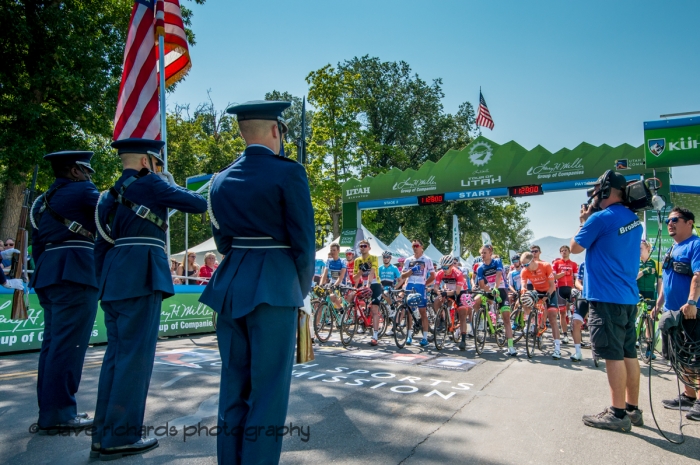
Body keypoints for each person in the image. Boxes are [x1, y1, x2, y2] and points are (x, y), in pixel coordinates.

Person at [199, 100, 315, 465]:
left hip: (231, 286)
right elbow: (303, 242)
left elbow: (223, 244)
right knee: (268, 393)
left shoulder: (218, 180)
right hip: (276, 288)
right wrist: (299, 290)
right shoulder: (289, 173)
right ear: (276, 131)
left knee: (233, 388)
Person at [92, 138, 207, 460]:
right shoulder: (153, 184)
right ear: (147, 162)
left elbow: (101, 245)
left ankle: (104, 434)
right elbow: (197, 203)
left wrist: (106, 282)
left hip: (114, 279)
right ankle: (121, 437)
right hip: (141, 277)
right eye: (157, 164)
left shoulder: (107, 196)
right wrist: (167, 183)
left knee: (115, 358)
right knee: (134, 360)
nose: (159, 170)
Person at [28, 151, 99, 434]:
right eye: (86, 171)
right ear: (73, 171)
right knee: (69, 346)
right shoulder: (84, 191)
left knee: (52, 345)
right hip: (76, 272)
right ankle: (60, 413)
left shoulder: (42, 202)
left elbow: (37, 245)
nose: (89, 176)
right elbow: (109, 220)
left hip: (48, 273)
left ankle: (50, 410)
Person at [571, 170, 643, 432]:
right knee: (628, 354)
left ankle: (617, 414)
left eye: (597, 191)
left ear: (604, 191)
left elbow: (576, 247)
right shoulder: (634, 219)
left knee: (612, 355)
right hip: (626, 297)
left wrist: (584, 220)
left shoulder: (600, 218)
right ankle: (632, 409)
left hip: (606, 297)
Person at [656, 208, 700, 420]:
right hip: (671, 313)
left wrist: (692, 301)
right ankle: (689, 396)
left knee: (696, 358)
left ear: (689, 223)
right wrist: (658, 305)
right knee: (679, 357)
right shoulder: (672, 249)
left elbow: (698, 276)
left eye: (675, 220)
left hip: (691, 313)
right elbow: (666, 281)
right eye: (668, 221)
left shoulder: (696, 245)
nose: (670, 224)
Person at [475, 245, 517, 356]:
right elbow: (482, 285)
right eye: (481, 253)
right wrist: (489, 289)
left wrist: (496, 288)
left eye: (484, 253)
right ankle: (483, 321)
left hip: (501, 289)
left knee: (506, 319)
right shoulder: (480, 268)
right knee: (476, 300)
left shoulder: (497, 261)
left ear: (490, 253)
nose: (482, 255)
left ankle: (511, 346)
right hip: (490, 290)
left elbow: (498, 275)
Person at [519, 251, 561, 358]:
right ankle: (531, 322)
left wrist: (545, 298)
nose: (525, 267)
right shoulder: (524, 270)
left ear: (533, 260)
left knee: (552, 317)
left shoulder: (545, 266)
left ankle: (557, 348)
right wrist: (523, 288)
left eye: (527, 265)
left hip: (550, 291)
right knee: (524, 297)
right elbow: (523, 283)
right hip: (537, 291)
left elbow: (552, 286)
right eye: (523, 265)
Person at [400, 239, 436, 347]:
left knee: (422, 311)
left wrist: (425, 284)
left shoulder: (427, 259)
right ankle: (409, 335)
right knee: (409, 311)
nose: (415, 247)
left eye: (416, 245)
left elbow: (433, 276)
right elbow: (403, 276)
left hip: (420, 285)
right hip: (410, 284)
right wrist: (412, 271)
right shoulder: (408, 260)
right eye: (413, 246)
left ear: (421, 247)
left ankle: (424, 337)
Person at [433, 254, 471, 351]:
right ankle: (442, 319)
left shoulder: (458, 273)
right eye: (442, 267)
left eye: (446, 267)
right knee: (436, 301)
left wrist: (445, 292)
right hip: (449, 291)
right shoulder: (440, 273)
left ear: (451, 266)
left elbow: (457, 291)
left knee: (462, 315)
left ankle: (463, 340)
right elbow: (436, 287)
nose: (444, 269)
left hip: (461, 292)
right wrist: (439, 292)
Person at [353, 239, 382, 346]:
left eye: (365, 246)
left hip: (374, 284)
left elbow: (372, 272)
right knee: (354, 300)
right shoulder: (357, 260)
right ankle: (362, 323)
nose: (363, 247)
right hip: (364, 284)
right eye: (361, 246)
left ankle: (375, 335)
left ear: (369, 248)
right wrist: (362, 270)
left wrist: (368, 285)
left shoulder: (373, 258)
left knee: (375, 309)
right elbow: (355, 277)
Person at [552, 245, 578, 344]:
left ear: (569, 252)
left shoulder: (574, 264)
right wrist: (564, 273)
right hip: (560, 289)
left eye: (566, 250)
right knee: (562, 313)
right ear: (560, 253)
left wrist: (576, 289)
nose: (564, 252)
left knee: (575, 313)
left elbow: (576, 279)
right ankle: (565, 335)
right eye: (562, 251)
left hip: (571, 289)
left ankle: (577, 335)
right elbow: (554, 276)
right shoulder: (556, 263)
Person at [319, 242, 347, 309]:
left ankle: (341, 309)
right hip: (332, 282)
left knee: (332, 296)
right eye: (331, 250)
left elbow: (341, 276)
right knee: (321, 295)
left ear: (338, 251)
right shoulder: (329, 260)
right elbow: (324, 274)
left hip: (341, 283)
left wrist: (335, 285)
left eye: (334, 250)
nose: (332, 252)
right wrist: (320, 285)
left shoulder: (342, 261)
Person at [570, 261, 589, 362]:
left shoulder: (605, 260)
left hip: (600, 297)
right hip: (585, 295)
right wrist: (581, 287)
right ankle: (578, 352)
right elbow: (578, 280)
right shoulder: (583, 264)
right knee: (575, 322)